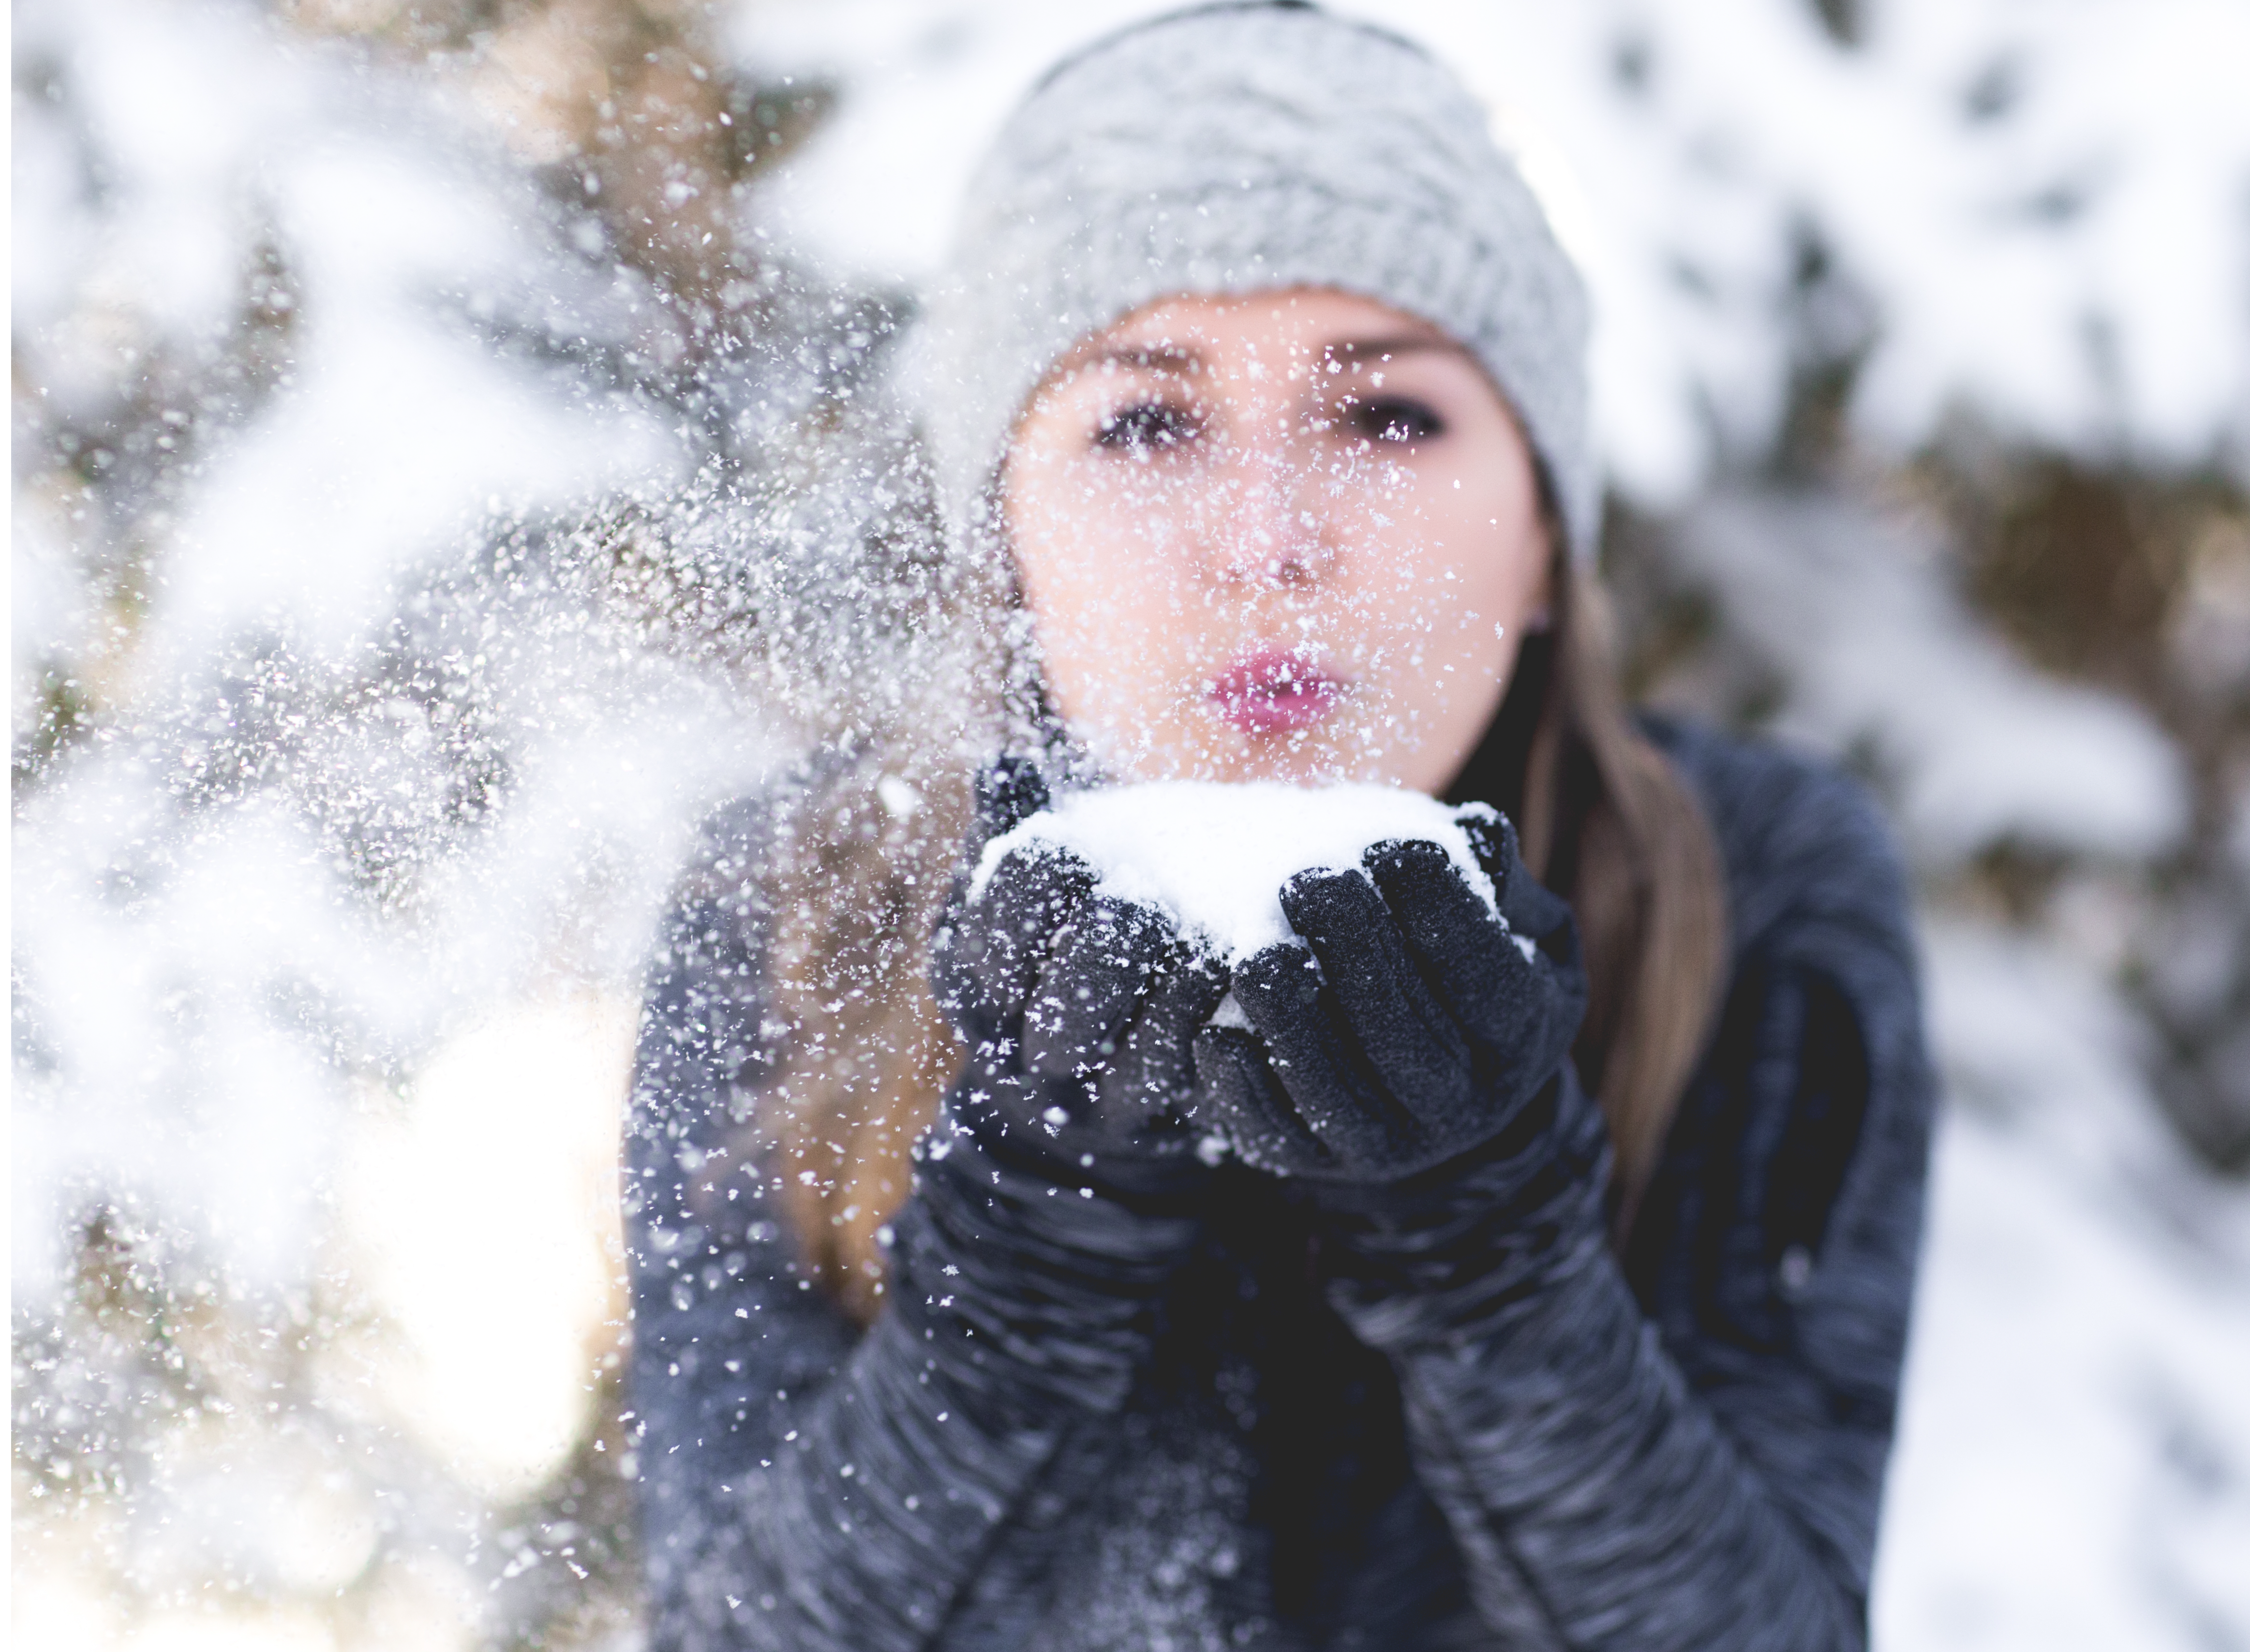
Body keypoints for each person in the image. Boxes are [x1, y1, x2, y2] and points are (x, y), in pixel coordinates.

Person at [624, 6, 1933, 1648]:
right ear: (1005, 533)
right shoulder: (802, 907)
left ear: (1541, 532)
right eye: (1148, 420)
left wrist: (1488, 1243)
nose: (1266, 540)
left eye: (1387, 415)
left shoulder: (1742, 897)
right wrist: (1033, 1231)